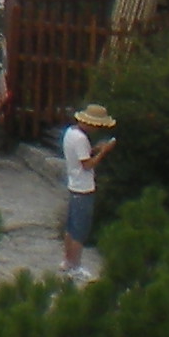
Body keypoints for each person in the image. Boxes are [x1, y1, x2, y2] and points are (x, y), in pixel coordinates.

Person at [60, 101, 116, 278]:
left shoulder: (70, 133)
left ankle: (67, 261)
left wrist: (94, 149)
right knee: (80, 230)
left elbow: (81, 155)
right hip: (83, 189)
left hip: (73, 185)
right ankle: (75, 266)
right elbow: (87, 164)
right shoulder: (81, 139)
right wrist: (103, 152)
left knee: (71, 227)